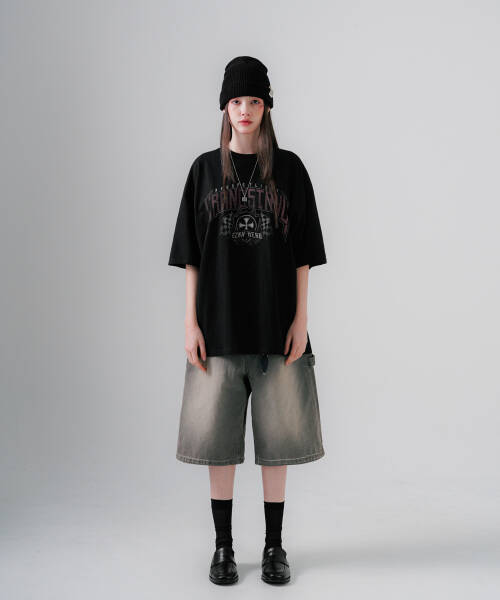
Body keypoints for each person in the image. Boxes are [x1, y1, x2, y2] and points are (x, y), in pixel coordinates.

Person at [168, 56, 327, 586]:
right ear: (224, 107)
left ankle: (275, 546)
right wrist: (189, 322)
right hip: (217, 328)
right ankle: (224, 547)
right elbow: (191, 255)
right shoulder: (203, 171)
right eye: (236, 101)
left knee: (277, 443)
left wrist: (301, 319)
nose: (244, 110)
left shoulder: (291, 170)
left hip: (275, 326)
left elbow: (304, 254)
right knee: (219, 445)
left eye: (254, 100)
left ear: (266, 107)